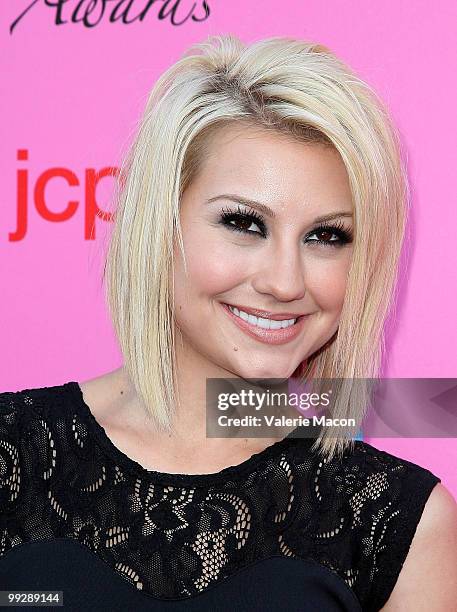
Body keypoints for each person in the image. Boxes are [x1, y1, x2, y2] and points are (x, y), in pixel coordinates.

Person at [1, 35, 456, 611]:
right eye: (244, 223)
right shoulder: (9, 448)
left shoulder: (400, 523)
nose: (286, 281)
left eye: (327, 236)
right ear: (160, 224)